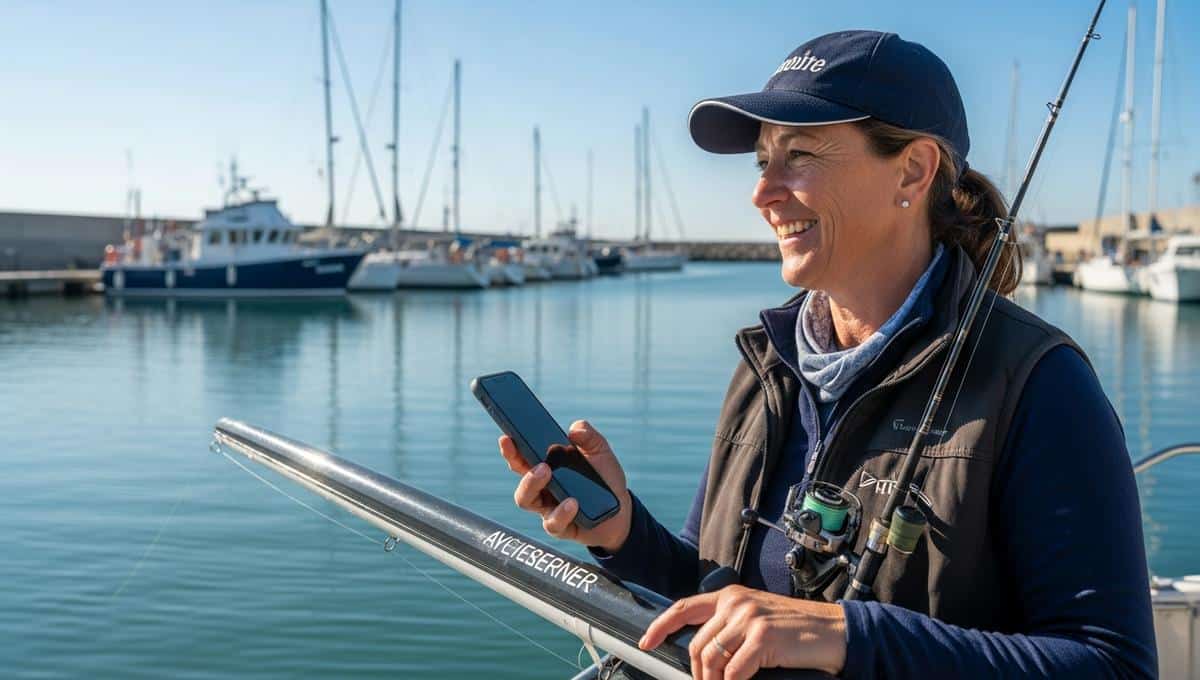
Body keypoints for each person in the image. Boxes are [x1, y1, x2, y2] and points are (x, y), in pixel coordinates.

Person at [498, 30, 1156, 679]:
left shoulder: (1039, 385)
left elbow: (1111, 663)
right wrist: (620, 532)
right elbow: (711, 586)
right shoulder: (767, 367)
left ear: (913, 171)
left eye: (799, 155)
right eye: (762, 162)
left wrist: (845, 635)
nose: (763, 193)